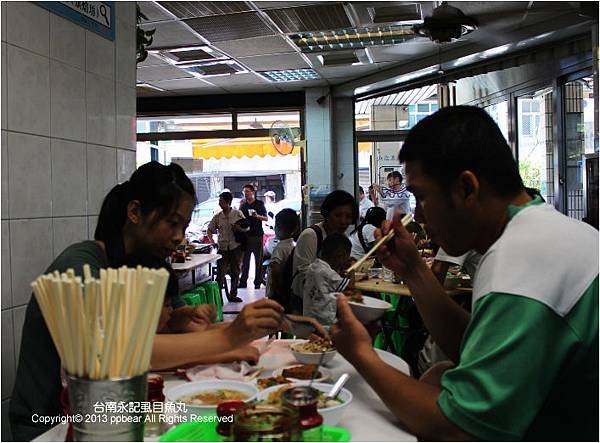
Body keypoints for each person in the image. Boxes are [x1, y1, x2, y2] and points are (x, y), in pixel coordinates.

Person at [330, 106, 598, 440]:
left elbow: (458, 427)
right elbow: (473, 345)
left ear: (466, 188)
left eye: (421, 197)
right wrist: (412, 269)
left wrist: (361, 355)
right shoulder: (543, 232)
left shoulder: (521, 263)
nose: (420, 216)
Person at [9, 162, 286, 441]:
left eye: (185, 226)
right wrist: (229, 337)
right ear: (134, 212)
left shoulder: (147, 269)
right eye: (172, 223)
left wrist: (206, 326)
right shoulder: (80, 267)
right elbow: (118, 350)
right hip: (52, 425)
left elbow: (178, 336)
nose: (179, 238)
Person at [290, 190, 358, 313]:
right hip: (305, 304)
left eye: (348, 216)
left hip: (327, 300)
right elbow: (306, 274)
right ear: (326, 214)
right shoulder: (311, 235)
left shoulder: (343, 239)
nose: (343, 221)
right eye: (338, 215)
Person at [303, 234, 353, 328]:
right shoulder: (328, 274)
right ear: (340, 256)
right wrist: (352, 268)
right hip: (325, 325)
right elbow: (349, 287)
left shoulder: (313, 267)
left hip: (309, 322)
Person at [207, 192, 246, 303]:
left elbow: (246, 227)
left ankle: (233, 295)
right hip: (222, 248)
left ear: (228, 202)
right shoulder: (218, 216)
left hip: (235, 247)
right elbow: (209, 229)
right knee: (220, 274)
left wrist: (238, 229)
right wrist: (212, 241)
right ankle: (218, 298)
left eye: (221, 201)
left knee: (235, 272)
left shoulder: (237, 214)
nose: (219, 203)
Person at [266, 208, 299, 308]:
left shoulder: (279, 248)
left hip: (277, 293)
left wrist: (279, 290)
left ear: (278, 228)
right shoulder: (294, 245)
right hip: (289, 289)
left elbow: (275, 268)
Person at [239, 184, 268, 289]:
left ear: (253, 192)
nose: (245, 194)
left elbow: (266, 218)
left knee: (258, 260)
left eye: (247, 191)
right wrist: (239, 207)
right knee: (245, 261)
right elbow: (239, 219)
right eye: (244, 192)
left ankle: (257, 282)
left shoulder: (259, 204)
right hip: (245, 237)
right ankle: (243, 282)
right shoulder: (243, 205)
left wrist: (257, 216)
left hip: (257, 236)